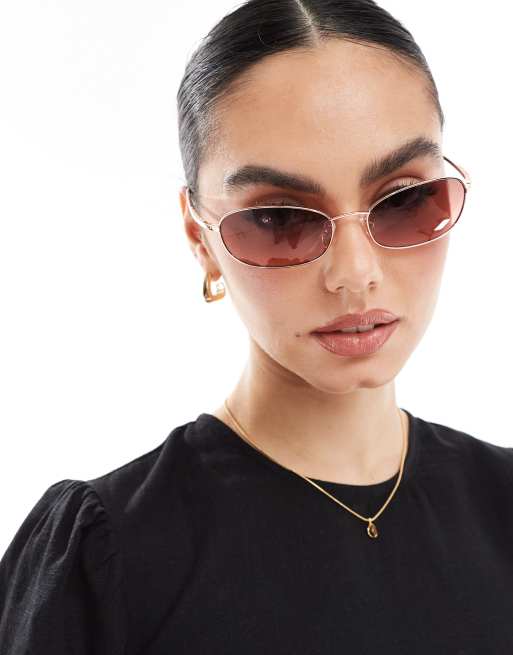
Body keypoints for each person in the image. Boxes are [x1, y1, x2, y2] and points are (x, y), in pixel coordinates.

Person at [1, 0, 512, 653]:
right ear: (201, 237)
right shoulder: (111, 557)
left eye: (404, 200)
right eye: (278, 219)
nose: (354, 274)